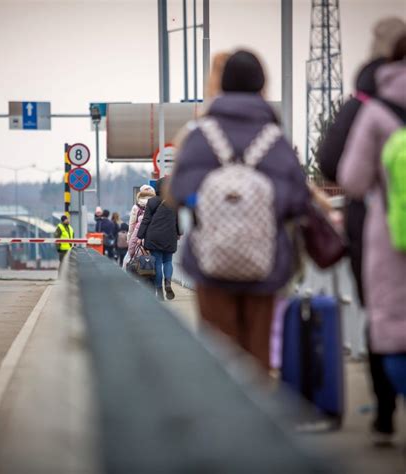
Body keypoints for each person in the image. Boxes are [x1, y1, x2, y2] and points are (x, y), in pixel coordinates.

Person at [169, 50, 310, 370]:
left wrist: (213, 206)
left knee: (218, 357)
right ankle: (259, 416)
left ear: (222, 85)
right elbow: (298, 200)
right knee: (258, 357)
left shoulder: (200, 136)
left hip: (211, 263)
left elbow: (180, 191)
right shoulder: (275, 140)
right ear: (262, 86)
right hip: (267, 265)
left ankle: (224, 417)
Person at [319, 17, 405, 444]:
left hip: (378, 226)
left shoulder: (367, 103)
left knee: (380, 314)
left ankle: (386, 412)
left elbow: (336, 167)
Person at [137, 177, 181, 300]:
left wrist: (140, 236)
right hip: (170, 236)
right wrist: (179, 232)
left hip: (154, 236)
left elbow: (146, 220)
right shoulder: (175, 201)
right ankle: (168, 283)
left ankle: (159, 290)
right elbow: (178, 221)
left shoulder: (152, 202)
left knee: (157, 262)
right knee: (168, 261)